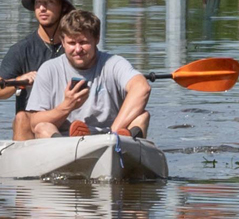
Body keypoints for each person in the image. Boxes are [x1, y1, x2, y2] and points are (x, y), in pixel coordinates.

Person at [24, 10, 151, 139]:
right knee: (42, 127)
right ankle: (73, 147)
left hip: (109, 138)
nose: (78, 50)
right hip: (64, 141)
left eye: (84, 42)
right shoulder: (49, 69)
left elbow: (142, 87)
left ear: (96, 39)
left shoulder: (113, 63)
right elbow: (34, 123)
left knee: (142, 116)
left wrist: (113, 133)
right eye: (72, 43)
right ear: (62, 41)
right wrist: (67, 106)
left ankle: (123, 142)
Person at [0, 0, 72, 140]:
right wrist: (18, 80)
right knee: (21, 117)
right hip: (32, 124)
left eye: (50, 2)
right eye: (38, 3)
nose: (42, 8)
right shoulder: (20, 50)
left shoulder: (76, 48)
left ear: (63, 7)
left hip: (69, 118)